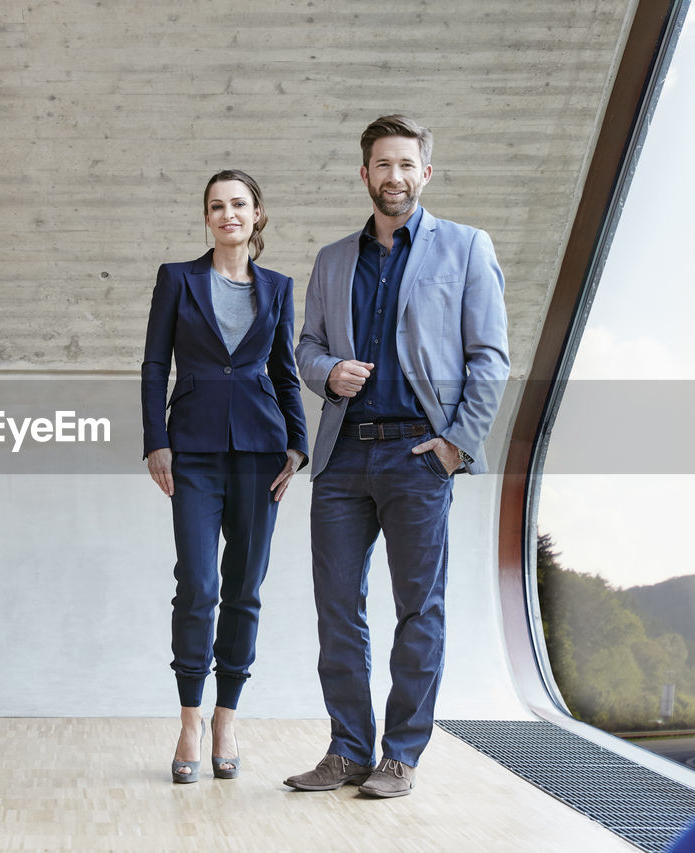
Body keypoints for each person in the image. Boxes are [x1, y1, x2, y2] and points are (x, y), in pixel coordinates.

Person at [284, 115, 510, 798]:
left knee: (420, 609)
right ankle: (348, 750)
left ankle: (401, 754)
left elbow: (490, 358)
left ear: (425, 173)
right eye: (382, 164)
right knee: (338, 610)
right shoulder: (332, 260)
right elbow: (305, 348)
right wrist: (328, 372)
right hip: (344, 457)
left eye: (406, 164)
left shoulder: (467, 248)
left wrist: (454, 447)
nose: (395, 176)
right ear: (365, 175)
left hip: (418, 455)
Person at [142, 169, 309, 783]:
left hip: (262, 452)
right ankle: (189, 719)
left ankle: (226, 718)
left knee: (245, 587)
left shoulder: (279, 286)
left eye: (239, 204)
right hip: (192, 448)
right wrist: (155, 439)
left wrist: (298, 443)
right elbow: (155, 361)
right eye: (217, 205)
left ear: (257, 215)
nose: (228, 214)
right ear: (207, 217)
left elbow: (285, 371)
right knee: (198, 584)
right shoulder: (177, 279)